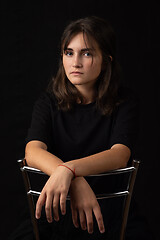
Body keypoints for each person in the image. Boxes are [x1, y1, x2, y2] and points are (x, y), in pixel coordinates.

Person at [10, 16, 154, 240]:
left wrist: (68, 171)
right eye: (69, 52)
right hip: (56, 210)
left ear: (106, 60)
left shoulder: (124, 102)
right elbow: (33, 151)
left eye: (86, 53)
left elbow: (120, 154)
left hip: (109, 209)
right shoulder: (48, 102)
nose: (75, 62)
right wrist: (74, 179)